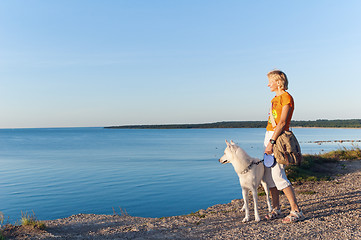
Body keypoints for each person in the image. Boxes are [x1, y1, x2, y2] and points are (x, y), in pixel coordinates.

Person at [263, 70, 305, 223]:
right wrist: (268, 140)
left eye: (270, 81)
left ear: (278, 82)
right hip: (269, 136)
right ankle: (276, 208)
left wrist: (272, 142)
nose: (268, 84)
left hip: (277, 138)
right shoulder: (275, 99)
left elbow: (281, 122)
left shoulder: (286, 98)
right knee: (269, 176)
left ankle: (296, 210)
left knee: (278, 175)